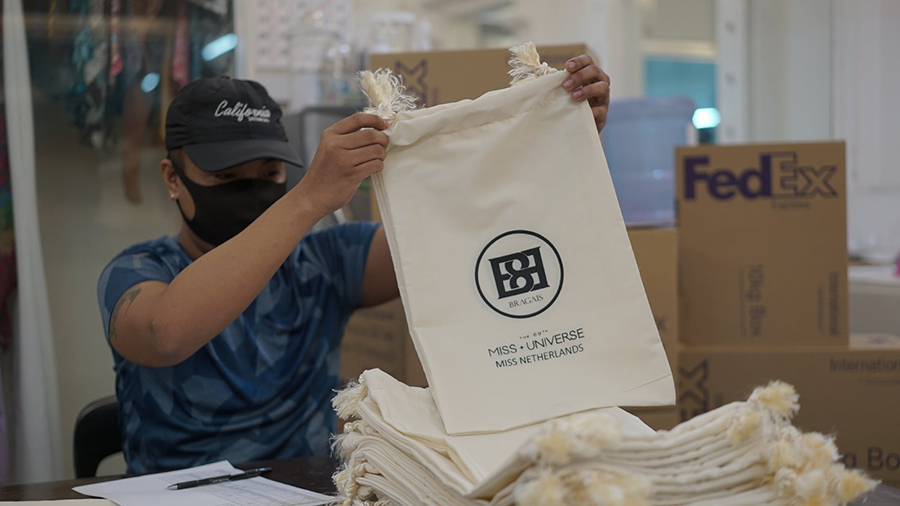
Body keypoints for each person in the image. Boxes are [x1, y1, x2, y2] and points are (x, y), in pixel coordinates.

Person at [97, 56, 611, 473]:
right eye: (228, 176)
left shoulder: (324, 260)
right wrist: (305, 200)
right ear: (172, 178)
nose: (253, 189)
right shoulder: (138, 272)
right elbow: (165, 334)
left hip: (309, 492)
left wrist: (553, 140)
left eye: (270, 172)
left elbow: (454, 237)